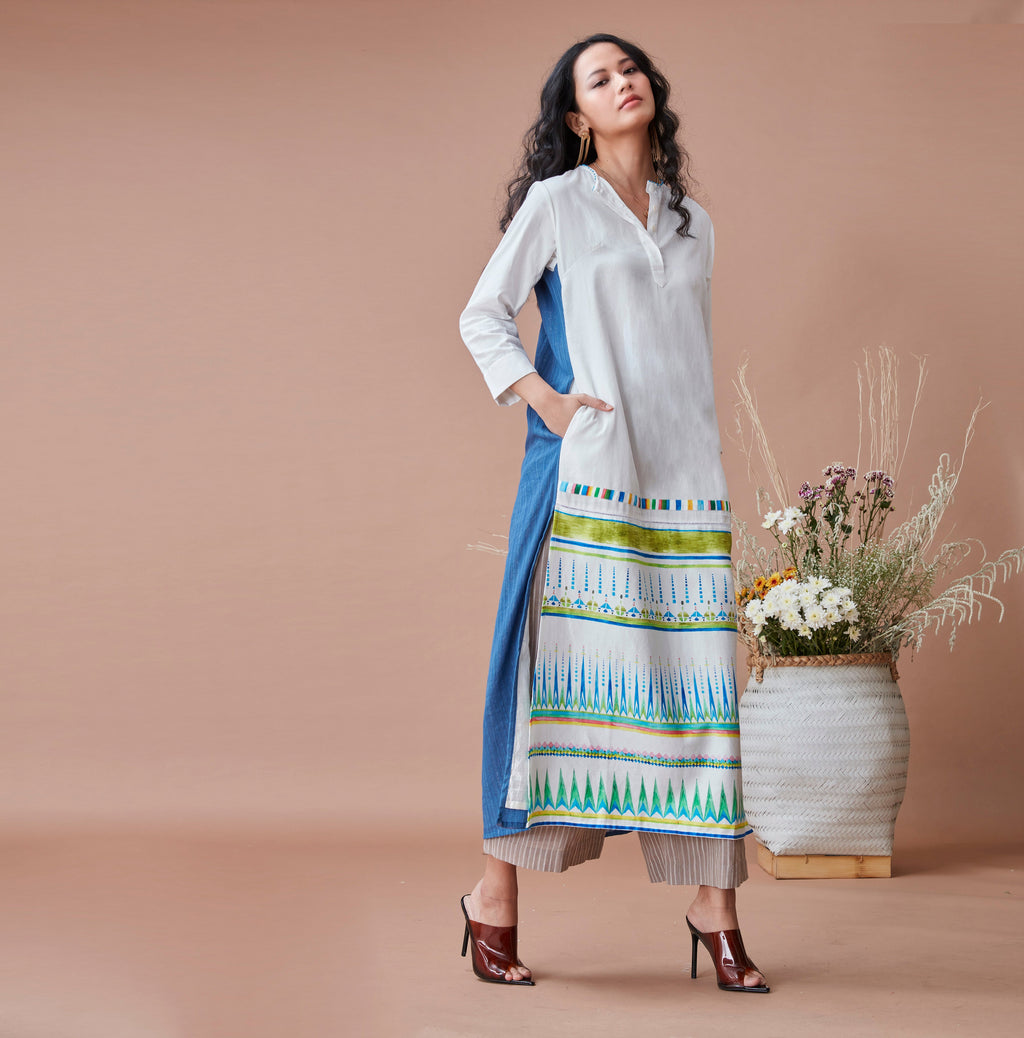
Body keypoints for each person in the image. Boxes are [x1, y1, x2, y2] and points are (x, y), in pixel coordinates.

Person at [457, 32, 770, 994]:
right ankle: (493, 898)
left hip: (684, 484)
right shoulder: (558, 204)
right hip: (584, 474)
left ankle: (716, 909)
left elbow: (684, 356)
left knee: (698, 699)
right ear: (576, 117)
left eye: (629, 69)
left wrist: (704, 463)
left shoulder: (691, 222)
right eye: (599, 79)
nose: (622, 82)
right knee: (549, 686)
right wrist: (543, 400)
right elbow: (482, 313)